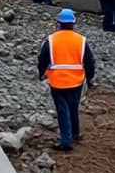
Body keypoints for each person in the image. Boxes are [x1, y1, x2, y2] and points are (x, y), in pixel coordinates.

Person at [38, 8, 97, 151]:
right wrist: (89, 79)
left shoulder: (51, 40)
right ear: (73, 23)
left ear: (58, 23)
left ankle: (66, 140)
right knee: (73, 107)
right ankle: (75, 133)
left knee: (62, 110)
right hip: (76, 81)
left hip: (57, 81)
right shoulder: (81, 40)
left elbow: (42, 59)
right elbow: (90, 62)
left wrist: (41, 73)